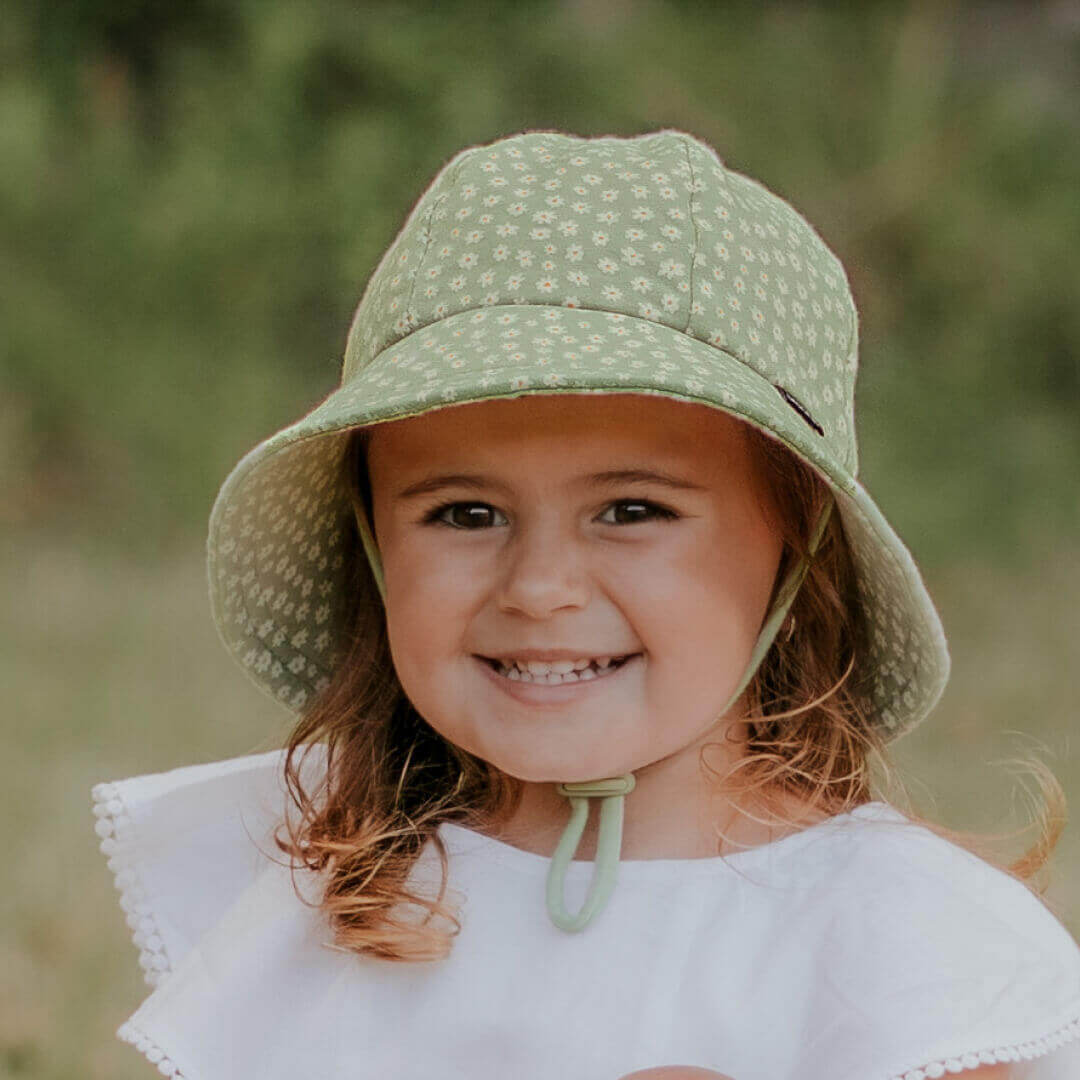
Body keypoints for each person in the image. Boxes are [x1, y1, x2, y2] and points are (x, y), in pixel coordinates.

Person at [91, 129, 1080, 1080]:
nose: (539, 588)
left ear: (800, 547)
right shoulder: (335, 887)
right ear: (371, 543)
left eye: (632, 509)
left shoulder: (890, 937)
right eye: (464, 512)